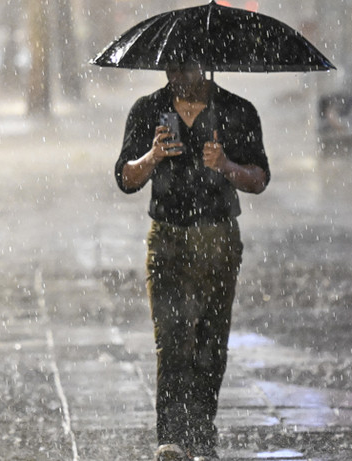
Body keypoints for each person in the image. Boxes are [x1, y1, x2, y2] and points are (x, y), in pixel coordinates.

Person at [114, 60, 270, 461]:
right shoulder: (147, 110)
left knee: (211, 343)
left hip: (218, 238)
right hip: (166, 238)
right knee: (171, 341)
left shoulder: (238, 111)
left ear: (205, 66)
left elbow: (259, 179)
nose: (176, 79)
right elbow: (125, 178)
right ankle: (171, 438)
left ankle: (201, 436)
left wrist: (226, 166)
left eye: (184, 69)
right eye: (169, 70)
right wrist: (151, 157)